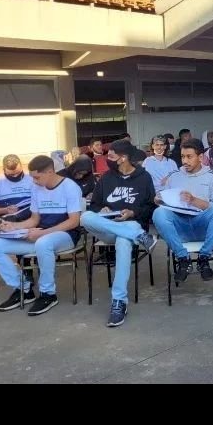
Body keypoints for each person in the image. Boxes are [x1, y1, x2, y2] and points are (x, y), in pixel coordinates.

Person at [0, 155, 83, 315]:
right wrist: (14, 226)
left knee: (43, 243)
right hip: (39, 234)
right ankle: (23, 288)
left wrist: (43, 233)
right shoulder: (37, 188)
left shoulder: (70, 187)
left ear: (50, 172)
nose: (34, 181)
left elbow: (74, 221)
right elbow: (34, 219)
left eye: (37, 177)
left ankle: (48, 294)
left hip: (66, 235)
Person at [80, 138, 157, 327]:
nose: (108, 158)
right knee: (86, 217)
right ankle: (140, 237)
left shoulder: (144, 178)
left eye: (112, 156)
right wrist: (102, 209)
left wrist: (133, 212)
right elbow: (95, 204)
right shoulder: (106, 178)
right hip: (109, 227)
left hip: (132, 224)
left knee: (124, 240)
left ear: (123, 158)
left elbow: (150, 207)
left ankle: (119, 301)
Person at [152, 138, 213, 284]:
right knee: (158, 213)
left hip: (203, 227)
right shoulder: (174, 176)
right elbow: (167, 202)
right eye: (182, 157)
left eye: (189, 157)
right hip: (180, 227)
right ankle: (183, 258)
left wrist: (194, 200)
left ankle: (204, 257)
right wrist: (159, 199)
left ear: (200, 157)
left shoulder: (212, 177)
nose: (185, 161)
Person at [0, 154, 34, 226]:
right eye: (11, 175)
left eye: (18, 173)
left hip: (32, 217)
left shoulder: (32, 177)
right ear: (4, 169)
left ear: (21, 166)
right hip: (9, 220)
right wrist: (5, 210)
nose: (15, 176)